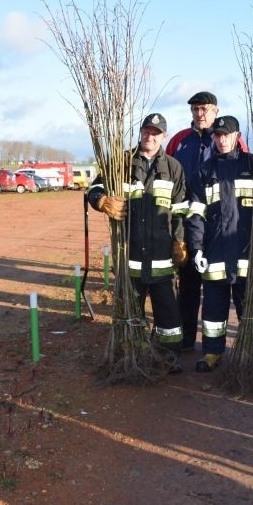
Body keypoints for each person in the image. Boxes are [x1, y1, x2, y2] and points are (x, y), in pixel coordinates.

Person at [87, 113, 187, 372]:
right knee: (131, 310)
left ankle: (168, 357)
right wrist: (101, 201)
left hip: (163, 257)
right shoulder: (121, 163)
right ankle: (132, 353)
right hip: (129, 254)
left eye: (156, 133)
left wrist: (180, 242)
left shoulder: (174, 168)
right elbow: (92, 189)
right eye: (146, 131)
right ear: (140, 132)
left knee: (168, 316)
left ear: (163, 137)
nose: (149, 137)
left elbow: (180, 210)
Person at [186, 116, 253, 372]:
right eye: (217, 135)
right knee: (213, 309)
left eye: (226, 135)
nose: (221, 140)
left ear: (237, 136)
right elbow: (195, 215)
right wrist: (196, 248)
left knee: (248, 306)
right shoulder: (204, 172)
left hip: (246, 251)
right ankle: (212, 352)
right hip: (215, 252)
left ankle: (251, 348)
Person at [167, 92, 247, 352]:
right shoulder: (179, 140)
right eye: (195, 109)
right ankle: (187, 340)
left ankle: (235, 345)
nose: (199, 114)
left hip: (219, 229)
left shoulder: (228, 140)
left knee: (224, 288)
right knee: (188, 286)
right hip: (186, 221)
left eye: (204, 109)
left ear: (215, 111)